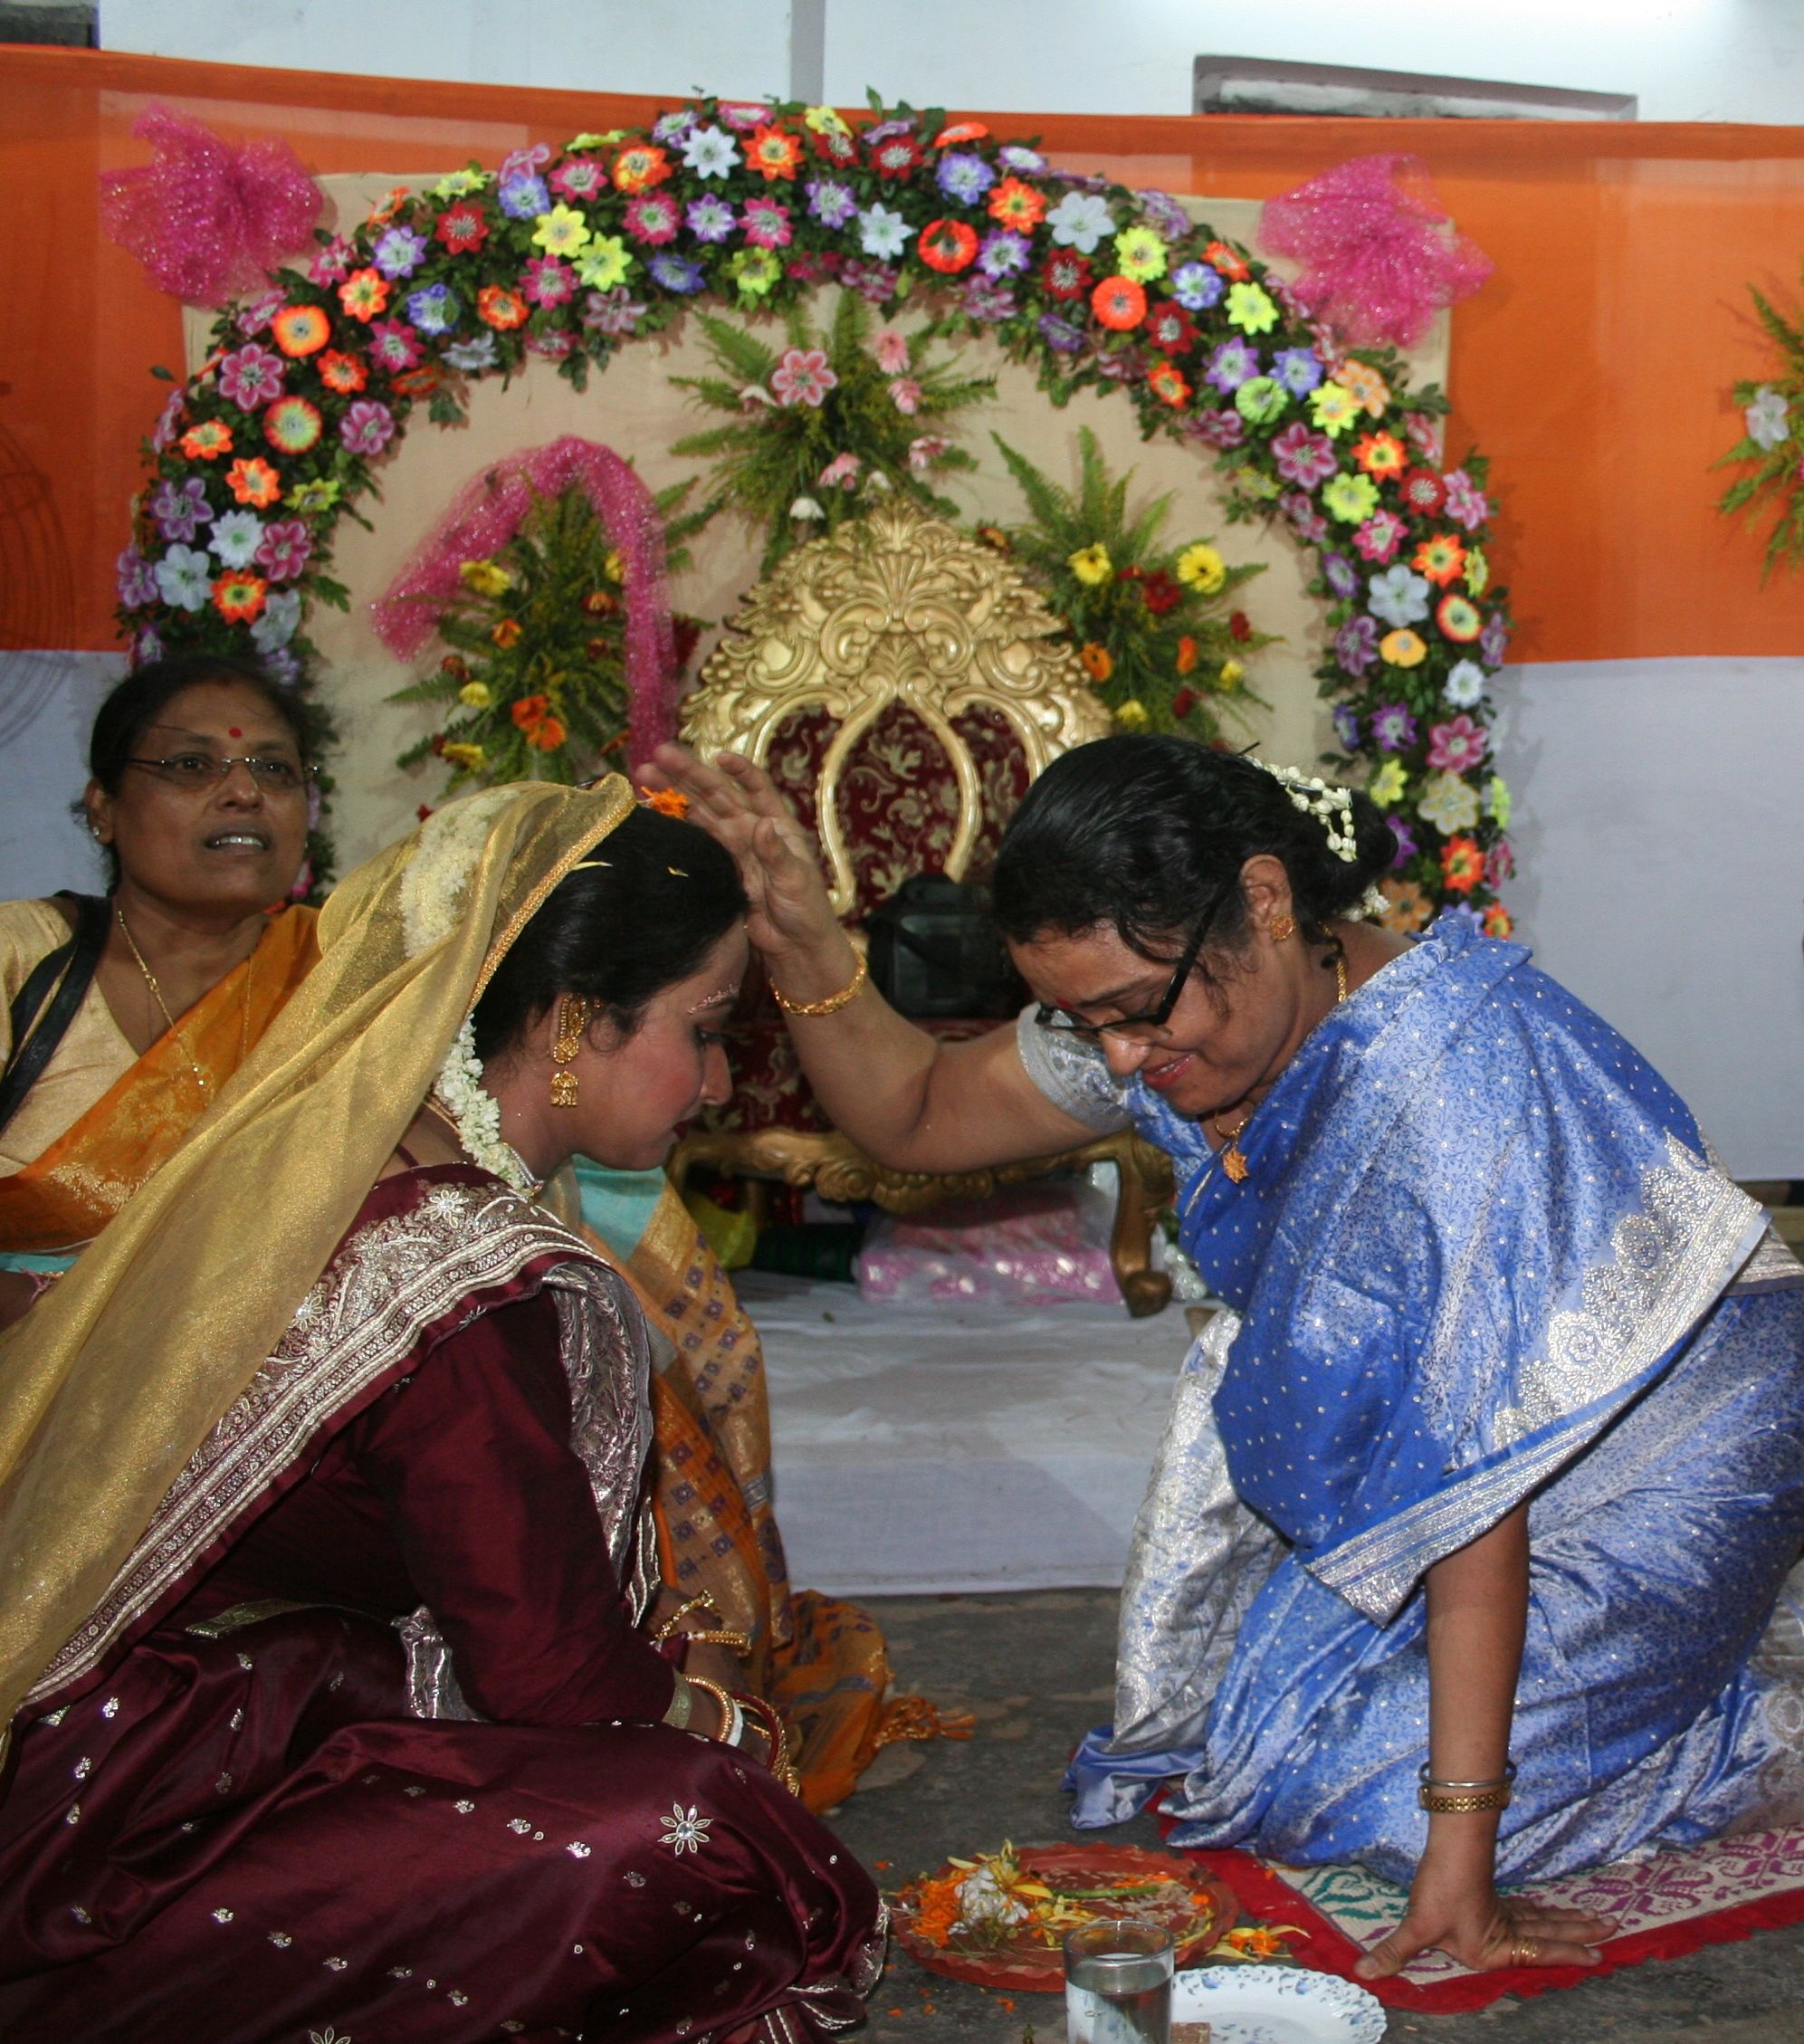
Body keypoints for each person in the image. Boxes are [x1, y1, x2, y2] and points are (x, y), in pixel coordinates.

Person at [650, 731, 1804, 1982]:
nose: (1122, 1064)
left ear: (1264, 900)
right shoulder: (1166, 1015)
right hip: (1462, 1451)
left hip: (1670, 1430)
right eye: (1083, 1024)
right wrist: (805, 943)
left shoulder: (1442, 1090)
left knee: (1368, 1804)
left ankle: (1751, 1723)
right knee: (1245, 1751)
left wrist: (1458, 1851)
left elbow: (1480, 1491)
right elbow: (913, 1112)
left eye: (1138, 1015)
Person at [0, 780, 883, 2043]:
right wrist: (730, 1720)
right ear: (575, 1022)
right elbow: (555, 1683)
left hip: (127, 1743)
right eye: (704, 1025)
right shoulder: (456, 1281)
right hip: (129, 1825)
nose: (721, 1077)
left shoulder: (346, 1164)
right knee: (712, 1835)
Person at [0, 654, 320, 1325]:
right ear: (103, 810)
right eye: (191, 766)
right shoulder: (20, 958)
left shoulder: (342, 975)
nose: (243, 792)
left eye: (275, 769)